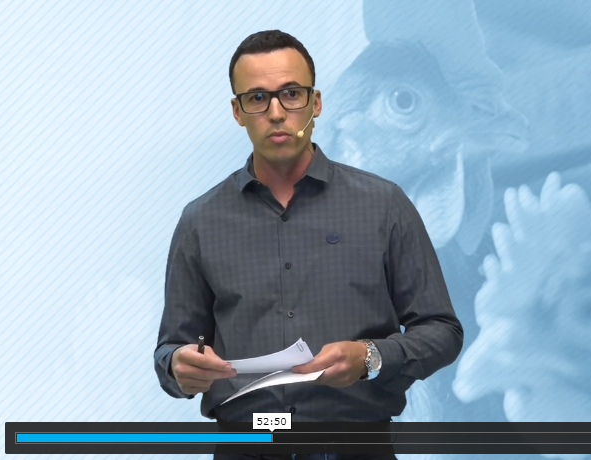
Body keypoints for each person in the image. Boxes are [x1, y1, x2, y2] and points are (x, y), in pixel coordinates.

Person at [153, 29, 463, 458]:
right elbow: (171, 350)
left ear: (316, 103)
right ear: (238, 112)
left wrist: (371, 356)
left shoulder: (384, 205)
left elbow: (442, 331)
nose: (276, 112)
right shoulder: (200, 220)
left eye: (291, 94)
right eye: (257, 98)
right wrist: (178, 366)